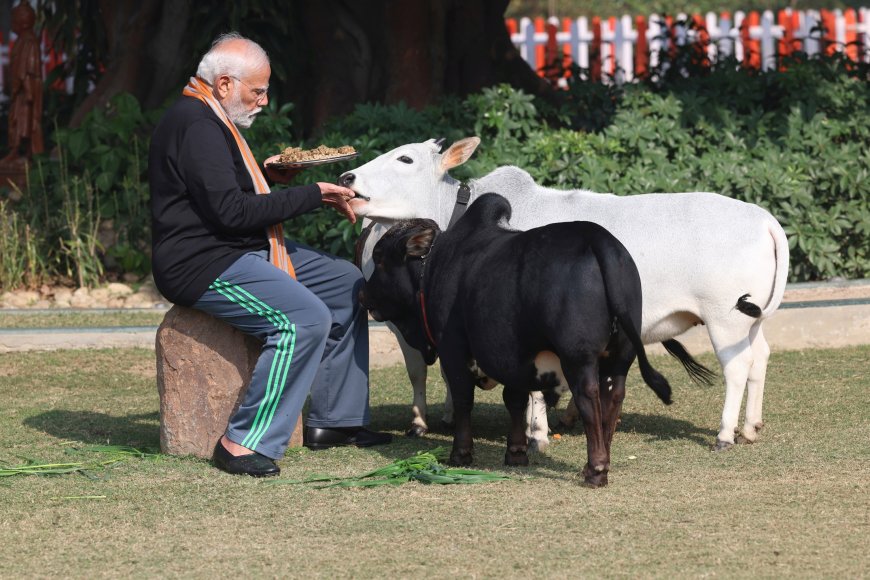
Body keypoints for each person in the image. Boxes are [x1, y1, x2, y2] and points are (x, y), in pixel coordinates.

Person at [149, 32, 391, 477]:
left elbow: (220, 190)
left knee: (345, 283)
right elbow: (230, 212)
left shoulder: (208, 114)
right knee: (303, 321)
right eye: (256, 90)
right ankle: (242, 442)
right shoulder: (196, 124)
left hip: (242, 246)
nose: (263, 100)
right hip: (203, 263)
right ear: (224, 84)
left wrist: (266, 174)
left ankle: (334, 422)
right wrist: (311, 194)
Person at [2, 0, 44, 164]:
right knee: (21, 120)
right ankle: (24, 152)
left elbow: (27, 69)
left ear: (24, 24)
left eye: (14, 22)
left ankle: (19, 151)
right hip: (21, 89)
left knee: (22, 121)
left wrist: (27, 90)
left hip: (26, 90)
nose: (11, 26)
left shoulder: (28, 42)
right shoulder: (23, 40)